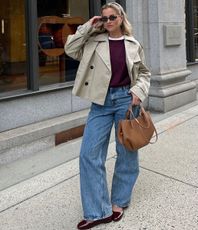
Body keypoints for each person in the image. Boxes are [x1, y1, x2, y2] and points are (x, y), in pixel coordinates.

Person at [64, 2, 151, 229]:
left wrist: (138, 92)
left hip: (126, 100)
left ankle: (119, 201)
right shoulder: (94, 41)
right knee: (89, 154)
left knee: (127, 153)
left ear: (121, 18)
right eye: (104, 18)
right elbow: (70, 49)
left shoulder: (133, 44)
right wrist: (88, 26)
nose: (108, 21)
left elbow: (144, 73)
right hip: (100, 103)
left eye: (112, 17)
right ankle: (96, 211)